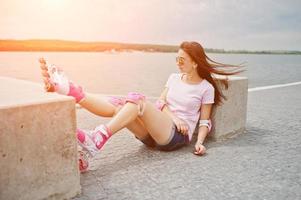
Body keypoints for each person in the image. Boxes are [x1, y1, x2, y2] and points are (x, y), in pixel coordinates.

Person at [39, 41, 242, 172]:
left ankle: (96, 138)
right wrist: (174, 116)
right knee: (122, 105)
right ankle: (69, 90)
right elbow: (161, 103)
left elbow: (205, 121)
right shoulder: (173, 78)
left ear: (195, 63)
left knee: (138, 100)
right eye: (176, 58)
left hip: (176, 137)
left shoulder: (205, 88)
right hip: (155, 134)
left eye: (182, 60)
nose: (178, 63)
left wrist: (200, 142)